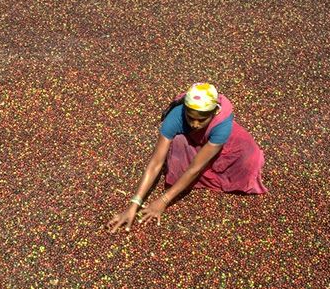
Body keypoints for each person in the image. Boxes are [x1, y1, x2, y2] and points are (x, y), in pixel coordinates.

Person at [107, 82, 268, 233]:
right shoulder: (175, 116)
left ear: (215, 111)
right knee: (177, 142)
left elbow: (195, 168)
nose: (195, 124)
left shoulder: (222, 125)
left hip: (232, 148)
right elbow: (156, 162)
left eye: (201, 120)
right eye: (191, 118)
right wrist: (133, 205)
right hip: (200, 142)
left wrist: (163, 201)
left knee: (245, 165)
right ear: (185, 110)